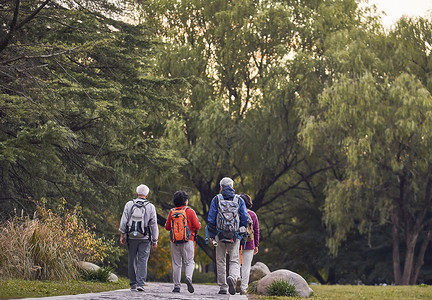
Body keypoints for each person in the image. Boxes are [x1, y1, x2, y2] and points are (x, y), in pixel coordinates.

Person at [207, 177, 249, 295]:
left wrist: (212, 235)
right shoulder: (239, 200)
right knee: (234, 260)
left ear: (221, 187)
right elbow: (245, 218)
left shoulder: (216, 199)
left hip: (219, 234)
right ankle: (233, 277)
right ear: (232, 187)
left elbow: (211, 219)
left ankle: (223, 287)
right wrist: (240, 232)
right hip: (234, 235)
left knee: (220, 260)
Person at [119, 184, 159, 292]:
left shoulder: (129, 204)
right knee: (143, 260)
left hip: (131, 237)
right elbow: (153, 224)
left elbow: (124, 220)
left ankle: (133, 284)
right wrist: (155, 240)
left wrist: (122, 235)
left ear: (137, 193)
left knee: (132, 259)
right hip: (145, 238)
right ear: (147, 195)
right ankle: (140, 284)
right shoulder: (151, 207)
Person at [164, 190, 201, 293]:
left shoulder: (172, 212)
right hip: (188, 240)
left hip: (174, 241)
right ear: (185, 201)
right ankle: (188, 277)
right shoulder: (190, 211)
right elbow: (197, 226)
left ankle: (176, 286)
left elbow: (167, 227)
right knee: (189, 261)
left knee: (176, 264)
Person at [236, 193, 259, 295]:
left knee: (235, 263)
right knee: (246, 266)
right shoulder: (253, 215)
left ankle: (236, 278)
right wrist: (256, 245)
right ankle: (244, 288)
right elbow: (256, 231)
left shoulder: (235, 213)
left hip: (236, 242)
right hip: (249, 243)